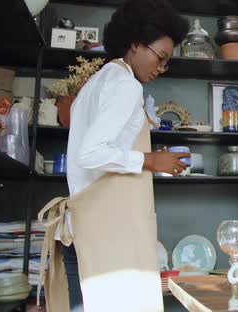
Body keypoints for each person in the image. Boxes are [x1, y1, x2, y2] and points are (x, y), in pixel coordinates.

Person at [37, 0, 189, 311]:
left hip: (82, 231)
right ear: (135, 43)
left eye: (166, 63)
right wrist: (149, 160)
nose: (160, 69)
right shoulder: (125, 85)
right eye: (160, 58)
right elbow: (90, 153)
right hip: (107, 236)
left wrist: (145, 156)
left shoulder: (97, 83)